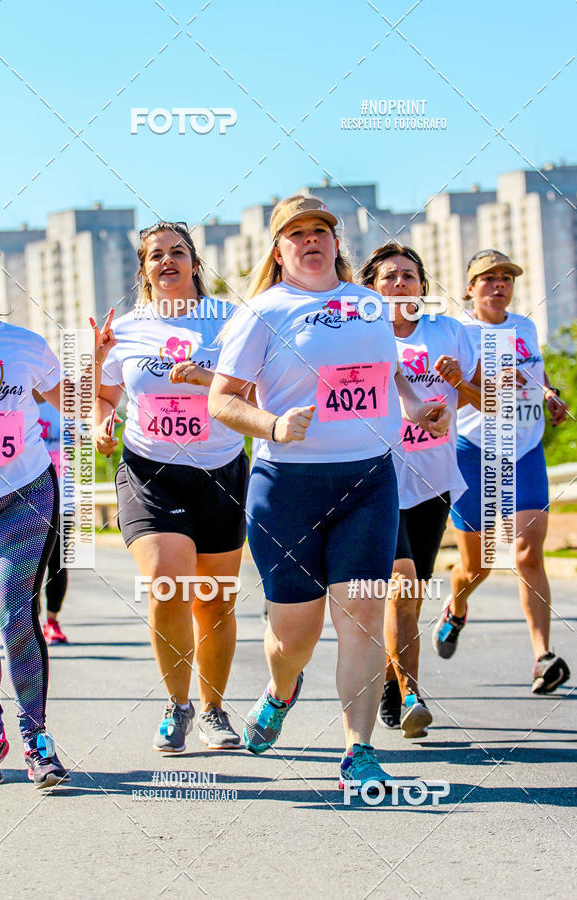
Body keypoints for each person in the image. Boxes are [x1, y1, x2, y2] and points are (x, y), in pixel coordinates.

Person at [209, 195, 449, 793]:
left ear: (336, 241)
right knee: (296, 635)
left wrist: (420, 407)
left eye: (321, 230)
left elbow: (386, 374)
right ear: (279, 247)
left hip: (368, 479)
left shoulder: (368, 304)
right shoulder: (262, 312)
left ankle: (357, 750)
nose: (310, 240)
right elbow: (221, 399)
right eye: (297, 233)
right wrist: (271, 425)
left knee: (364, 614)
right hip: (287, 487)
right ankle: (281, 687)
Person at [95, 221, 248, 752]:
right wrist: (100, 421)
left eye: (177, 252)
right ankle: (177, 705)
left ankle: (213, 709)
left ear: (195, 264)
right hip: (149, 470)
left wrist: (208, 381)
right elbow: (106, 395)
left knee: (215, 600)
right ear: (143, 269)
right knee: (167, 584)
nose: (167, 261)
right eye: (155, 255)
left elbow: (253, 387)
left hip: (220, 470)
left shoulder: (230, 323)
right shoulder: (128, 329)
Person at [0, 241, 114, 787]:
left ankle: (35, 735)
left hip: (23, 492)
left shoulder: (25, 344)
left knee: (14, 612)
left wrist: (99, 368)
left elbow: (76, 403)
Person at [433, 249, 570, 694]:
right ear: (470, 287)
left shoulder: (525, 326)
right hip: (474, 451)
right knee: (478, 565)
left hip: (525, 451)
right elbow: (457, 390)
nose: (499, 285)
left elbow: (537, 375)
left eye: (506, 278)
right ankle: (456, 608)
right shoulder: (458, 333)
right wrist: (492, 384)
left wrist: (550, 396)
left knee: (529, 553)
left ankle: (542, 656)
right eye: (488, 278)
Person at [359, 243, 481, 738]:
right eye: (388, 277)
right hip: (378, 480)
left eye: (409, 276)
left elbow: (489, 401)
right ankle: (412, 695)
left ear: (423, 288)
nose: (400, 284)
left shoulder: (448, 332)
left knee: (409, 597)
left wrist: (462, 383)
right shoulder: (359, 338)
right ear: (372, 288)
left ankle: (392, 680)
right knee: (403, 584)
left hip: (433, 482)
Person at [36, 398, 69, 644]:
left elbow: (84, 443)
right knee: (25, 564)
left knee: (58, 561)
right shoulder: (14, 396)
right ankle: (26, 621)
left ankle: (52, 621)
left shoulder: (62, 401)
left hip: (62, 495)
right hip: (23, 495)